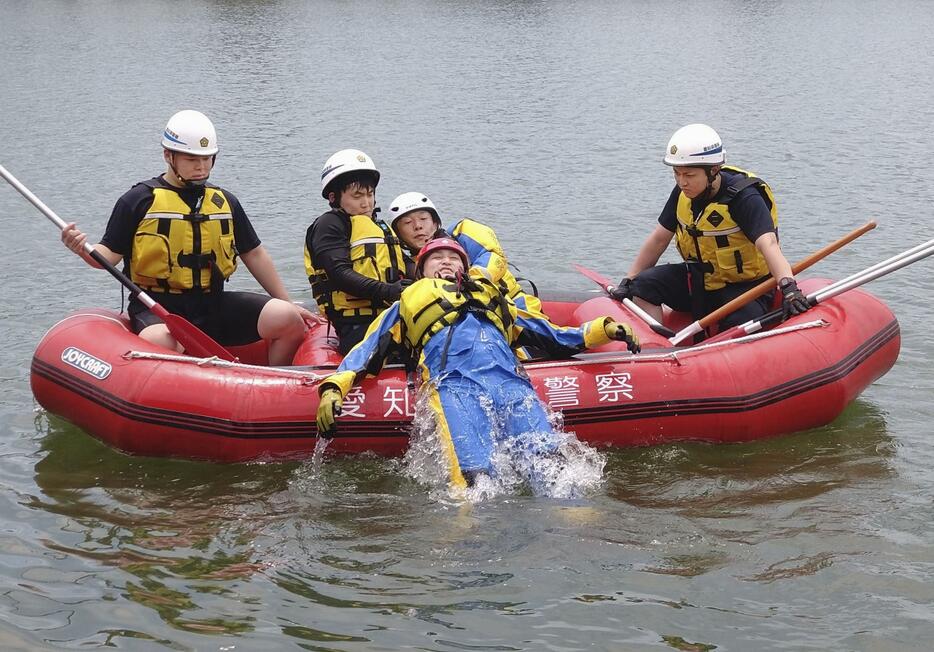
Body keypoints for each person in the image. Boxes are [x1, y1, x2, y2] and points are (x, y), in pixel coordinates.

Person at [315, 238, 640, 490]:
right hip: (454, 387)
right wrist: (333, 389)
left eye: (453, 257)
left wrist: (603, 329)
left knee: (553, 469)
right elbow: (368, 348)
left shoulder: (495, 300)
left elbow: (551, 335)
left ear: (466, 268)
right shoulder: (408, 302)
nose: (445, 261)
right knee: (475, 480)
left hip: (512, 385)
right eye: (435, 259)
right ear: (421, 272)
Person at [61, 109, 308, 365]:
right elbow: (109, 255)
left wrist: (286, 301)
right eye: (191, 159)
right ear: (169, 156)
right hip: (158, 307)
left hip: (211, 304)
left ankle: (274, 386)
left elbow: (254, 253)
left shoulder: (225, 202)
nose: (201, 167)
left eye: (207, 159)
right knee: (165, 341)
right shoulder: (138, 201)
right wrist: (82, 249)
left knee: (287, 319)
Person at [612, 124, 810, 333]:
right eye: (676, 173)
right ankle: (654, 349)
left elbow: (768, 243)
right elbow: (659, 239)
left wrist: (788, 287)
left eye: (689, 175)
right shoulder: (682, 194)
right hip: (700, 283)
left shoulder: (744, 198)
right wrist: (629, 280)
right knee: (644, 285)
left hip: (746, 289)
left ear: (713, 170)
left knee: (740, 322)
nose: (682, 182)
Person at [387, 191, 552, 354]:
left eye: (423, 219)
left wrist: (469, 284)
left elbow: (493, 256)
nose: (417, 226)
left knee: (535, 345)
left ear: (435, 222)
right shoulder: (409, 265)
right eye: (407, 223)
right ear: (398, 234)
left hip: (510, 305)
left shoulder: (463, 232)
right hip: (460, 321)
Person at [304, 149, 407, 354]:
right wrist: (388, 291)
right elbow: (339, 273)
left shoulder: (380, 227)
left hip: (392, 315)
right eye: (357, 196)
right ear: (334, 198)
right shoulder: (329, 225)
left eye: (370, 194)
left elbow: (406, 264)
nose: (366, 203)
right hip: (356, 325)